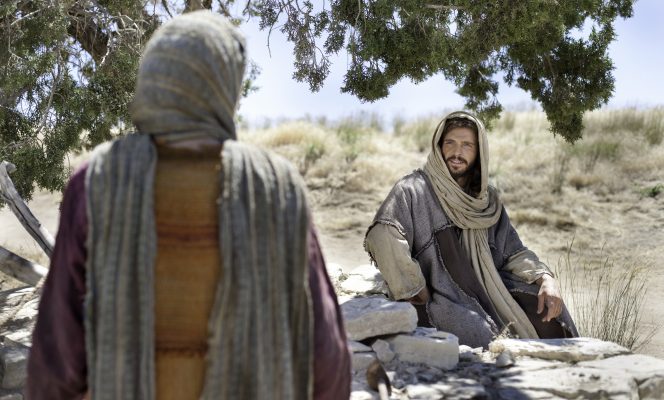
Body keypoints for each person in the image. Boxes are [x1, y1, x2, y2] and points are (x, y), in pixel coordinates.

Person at [26, 11, 351, 400]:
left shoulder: (97, 180)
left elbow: (56, 356)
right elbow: (326, 354)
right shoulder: (276, 187)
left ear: (154, 81)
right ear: (224, 85)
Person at [364, 111, 578, 348]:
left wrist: (546, 279)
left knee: (548, 309)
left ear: (479, 153)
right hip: (444, 298)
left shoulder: (487, 202)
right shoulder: (413, 189)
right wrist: (415, 289)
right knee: (477, 332)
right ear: (438, 146)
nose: (457, 152)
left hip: (491, 290)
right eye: (450, 143)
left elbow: (514, 252)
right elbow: (383, 234)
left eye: (467, 145)